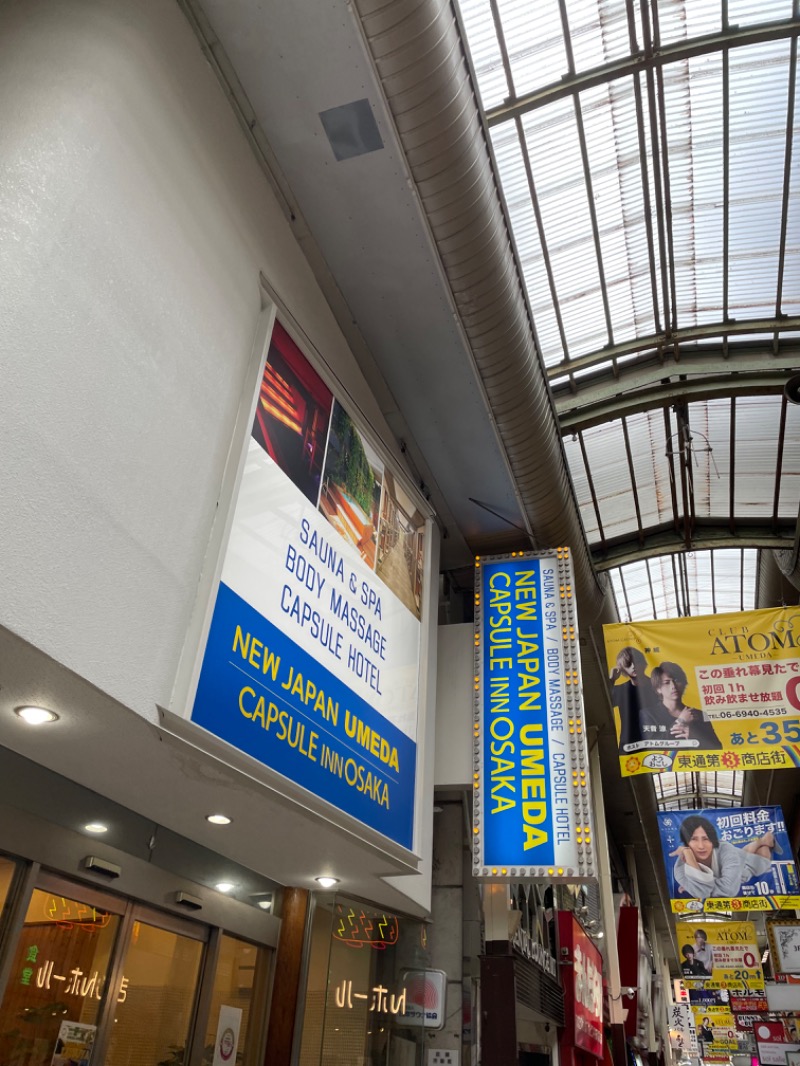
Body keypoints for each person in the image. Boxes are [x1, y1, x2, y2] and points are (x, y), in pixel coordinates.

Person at [670, 814, 780, 900]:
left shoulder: (725, 848)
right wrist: (691, 864)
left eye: (706, 839)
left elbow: (728, 890)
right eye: (693, 839)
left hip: (737, 862)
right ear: (685, 843)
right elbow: (703, 892)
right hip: (738, 864)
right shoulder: (680, 870)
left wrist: (695, 885)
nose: (701, 846)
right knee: (743, 857)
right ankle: (763, 841)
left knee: (762, 861)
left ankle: (765, 842)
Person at [648, 662, 722, 749]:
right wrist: (681, 721)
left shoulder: (700, 715)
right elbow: (651, 747)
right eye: (667, 682)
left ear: (684, 683)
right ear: (658, 689)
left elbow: (717, 748)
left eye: (676, 681)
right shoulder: (648, 714)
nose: (673, 686)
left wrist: (694, 736)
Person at [608, 647, 659, 750]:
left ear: (644, 663)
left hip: (658, 742)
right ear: (622, 668)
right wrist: (611, 680)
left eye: (636, 661)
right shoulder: (621, 690)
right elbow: (605, 705)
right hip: (630, 744)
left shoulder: (658, 687)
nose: (633, 666)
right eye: (628, 664)